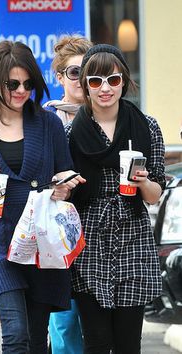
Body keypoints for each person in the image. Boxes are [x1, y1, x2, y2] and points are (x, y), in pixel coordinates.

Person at [0, 40, 85, 354]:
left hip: (41, 244)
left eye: (28, 83)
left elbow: (64, 170)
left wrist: (64, 184)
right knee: (15, 334)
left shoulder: (48, 124)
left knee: (38, 339)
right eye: (12, 83)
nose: (21, 91)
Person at [65, 44, 166, 354]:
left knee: (127, 344)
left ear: (124, 81)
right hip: (89, 240)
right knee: (95, 342)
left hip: (133, 236)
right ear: (85, 86)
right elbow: (62, 194)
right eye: (95, 81)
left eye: (113, 79)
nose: (105, 88)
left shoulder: (146, 127)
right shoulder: (71, 134)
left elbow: (155, 194)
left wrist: (143, 180)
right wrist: (64, 186)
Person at [44, 35, 92, 354]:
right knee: (63, 324)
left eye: (88, 70)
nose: (82, 79)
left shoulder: (110, 116)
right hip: (57, 235)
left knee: (99, 327)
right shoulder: (45, 121)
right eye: (74, 72)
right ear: (60, 77)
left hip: (99, 233)